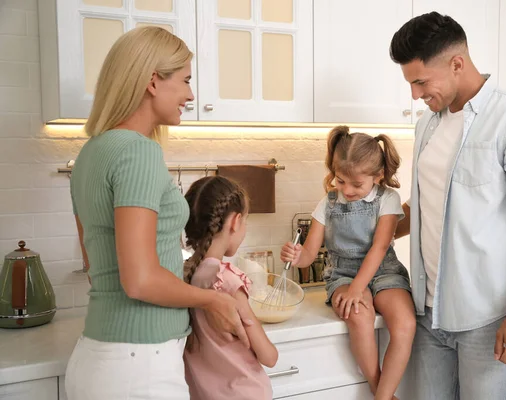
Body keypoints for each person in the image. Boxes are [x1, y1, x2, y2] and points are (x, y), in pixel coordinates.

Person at [65, 26, 251, 400]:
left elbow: (95, 268)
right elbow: (140, 281)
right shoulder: (138, 153)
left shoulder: (91, 153)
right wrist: (215, 299)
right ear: (152, 81)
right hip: (139, 365)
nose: (191, 94)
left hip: (100, 357)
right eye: (184, 80)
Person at [389, 12, 506, 400]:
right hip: (427, 315)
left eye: (421, 82)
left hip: (489, 320)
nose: (415, 95)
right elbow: (422, 205)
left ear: (457, 63)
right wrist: (364, 231)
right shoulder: (428, 124)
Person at [281, 125, 416, 400]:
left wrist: (359, 288)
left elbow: (380, 247)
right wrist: (297, 256)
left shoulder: (388, 198)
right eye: (341, 181)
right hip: (342, 274)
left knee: (405, 323)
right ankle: (382, 391)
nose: (348, 190)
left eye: (357, 184)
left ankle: (381, 396)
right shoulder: (327, 203)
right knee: (358, 315)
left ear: (378, 176)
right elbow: (308, 254)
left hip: (384, 271)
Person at [182, 176, 278, 400]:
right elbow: (269, 356)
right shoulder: (227, 280)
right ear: (235, 222)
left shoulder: (184, 276)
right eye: (245, 220)